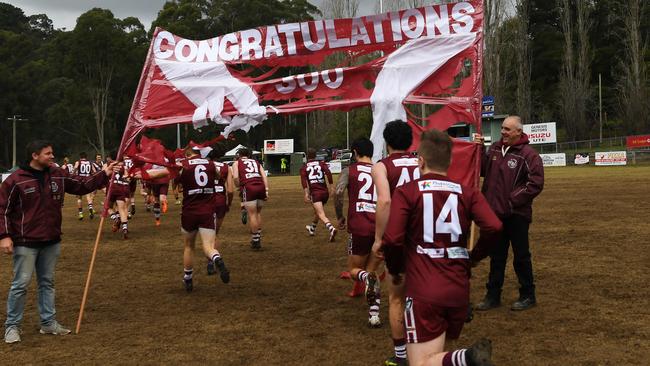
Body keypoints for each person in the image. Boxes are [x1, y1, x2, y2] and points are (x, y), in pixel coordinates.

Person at [381, 129, 502, 366]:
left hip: (424, 289)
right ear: (449, 162)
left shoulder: (407, 192)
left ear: (421, 161)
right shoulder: (467, 192)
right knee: (435, 355)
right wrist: (474, 257)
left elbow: (393, 239)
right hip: (458, 287)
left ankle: (467, 359)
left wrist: (395, 270)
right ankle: (464, 359)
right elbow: (494, 227)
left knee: (422, 363)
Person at [0, 140, 118, 344]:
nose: (52, 156)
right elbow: (2, 209)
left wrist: (104, 174)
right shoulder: (15, 180)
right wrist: (4, 236)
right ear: (35, 156)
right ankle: (12, 326)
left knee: (47, 283)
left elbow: (82, 185)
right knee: (20, 285)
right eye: (48, 153)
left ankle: (48, 323)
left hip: (51, 239)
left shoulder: (58, 174)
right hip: (26, 241)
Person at [474, 115, 544, 311]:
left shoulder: (529, 155)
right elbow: (482, 170)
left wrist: (511, 201)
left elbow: (535, 183)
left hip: (516, 215)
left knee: (521, 256)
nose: (503, 132)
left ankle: (528, 295)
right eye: (503, 128)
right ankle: (493, 295)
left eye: (507, 129)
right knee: (497, 257)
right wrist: (479, 149)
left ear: (518, 132)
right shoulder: (495, 149)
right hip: (494, 214)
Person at [140, 146, 230, 292]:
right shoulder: (210, 164)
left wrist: (136, 174)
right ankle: (216, 258)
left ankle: (188, 279)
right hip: (207, 210)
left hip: (189, 211)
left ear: (187, 154)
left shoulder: (183, 165)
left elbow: (157, 174)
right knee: (208, 247)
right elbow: (219, 176)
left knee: (189, 246)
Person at [371, 120, 420, 366]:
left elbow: (385, 202)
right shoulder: (421, 161)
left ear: (386, 142)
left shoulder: (382, 166)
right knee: (422, 294)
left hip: (399, 237)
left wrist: (379, 239)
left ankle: (401, 356)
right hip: (424, 234)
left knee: (397, 298)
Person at [334, 137, 382, 327]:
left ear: (355, 152)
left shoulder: (350, 170)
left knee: (356, 272)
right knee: (372, 270)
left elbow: (338, 192)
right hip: (381, 227)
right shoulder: (381, 170)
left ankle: (365, 278)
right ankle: (374, 314)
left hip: (360, 226)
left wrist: (339, 216)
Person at [232, 148, 268, 250]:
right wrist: (267, 189)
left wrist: (239, 185)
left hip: (249, 187)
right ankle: (258, 236)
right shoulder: (256, 162)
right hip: (260, 186)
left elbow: (235, 177)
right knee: (258, 213)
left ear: (239, 155)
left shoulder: (236, 163)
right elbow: (264, 176)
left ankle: (256, 240)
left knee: (252, 214)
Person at [206, 150, 234, 275]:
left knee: (209, 234)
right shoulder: (226, 167)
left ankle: (211, 261)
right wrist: (229, 203)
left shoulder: (205, 165)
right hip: (220, 200)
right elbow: (230, 190)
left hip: (207, 200)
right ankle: (212, 260)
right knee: (215, 232)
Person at [300, 148, 337, 242]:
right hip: (325, 193)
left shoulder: (304, 167)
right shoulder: (321, 163)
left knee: (320, 213)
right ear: (315, 155)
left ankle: (331, 228)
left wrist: (306, 193)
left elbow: (304, 181)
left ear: (307, 156)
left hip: (315, 193)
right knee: (317, 211)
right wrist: (332, 187)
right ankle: (312, 228)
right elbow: (328, 173)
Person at [107, 153, 131, 239]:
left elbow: (104, 174)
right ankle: (125, 229)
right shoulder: (123, 166)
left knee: (107, 207)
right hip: (120, 188)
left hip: (111, 188)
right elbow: (127, 177)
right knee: (122, 209)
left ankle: (115, 218)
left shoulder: (109, 165)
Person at [73, 152, 98, 220]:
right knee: (88, 195)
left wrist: (73, 176)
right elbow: (95, 171)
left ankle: (81, 213)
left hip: (80, 180)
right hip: (88, 180)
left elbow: (74, 170)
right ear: (86, 157)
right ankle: (90, 208)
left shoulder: (78, 162)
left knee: (79, 198)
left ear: (80, 157)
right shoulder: (90, 163)